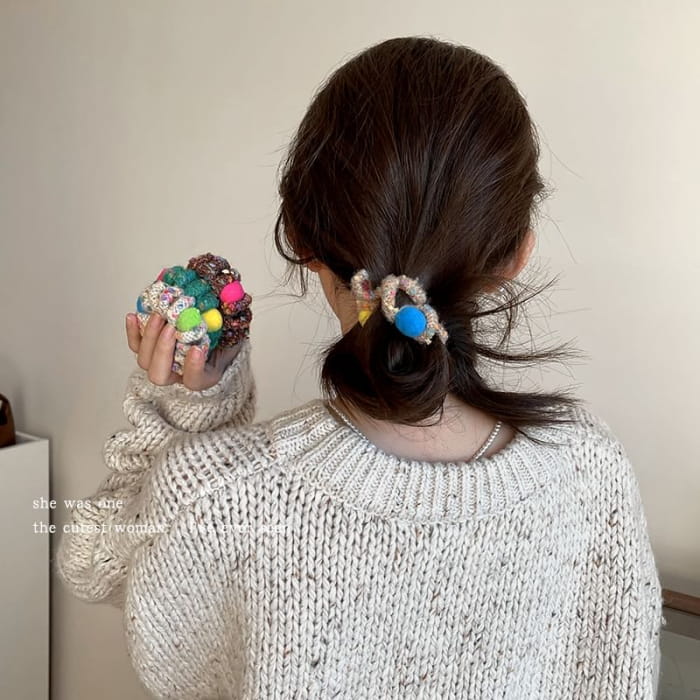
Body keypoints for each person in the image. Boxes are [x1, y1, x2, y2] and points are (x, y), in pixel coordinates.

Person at [56, 36, 663, 699]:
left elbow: (92, 563)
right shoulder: (592, 477)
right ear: (516, 255)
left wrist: (188, 414)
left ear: (301, 237)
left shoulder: (222, 495)